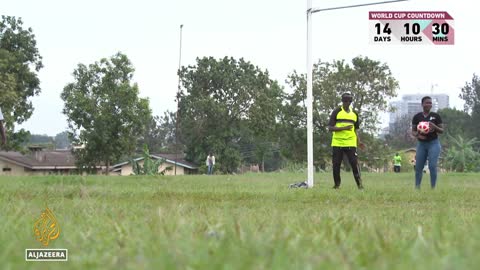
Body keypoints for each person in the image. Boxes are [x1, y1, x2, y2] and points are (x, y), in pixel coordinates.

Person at [328, 93, 365, 189]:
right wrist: (344, 128)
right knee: (336, 164)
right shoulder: (336, 112)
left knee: (354, 163)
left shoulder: (354, 114)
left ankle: (360, 185)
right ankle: (337, 185)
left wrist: (359, 142)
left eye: (349, 101)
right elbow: (330, 128)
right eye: (345, 101)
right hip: (338, 142)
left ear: (351, 102)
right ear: (342, 101)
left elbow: (355, 130)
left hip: (350, 143)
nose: (347, 103)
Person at [412, 96, 444, 189]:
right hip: (421, 144)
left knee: (432, 166)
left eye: (430, 103)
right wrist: (418, 135)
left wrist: (434, 126)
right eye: (427, 102)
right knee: (418, 167)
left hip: (433, 143)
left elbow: (441, 130)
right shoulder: (417, 117)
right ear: (422, 104)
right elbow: (413, 131)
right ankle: (417, 187)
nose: (429, 104)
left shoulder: (436, 116)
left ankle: (433, 188)